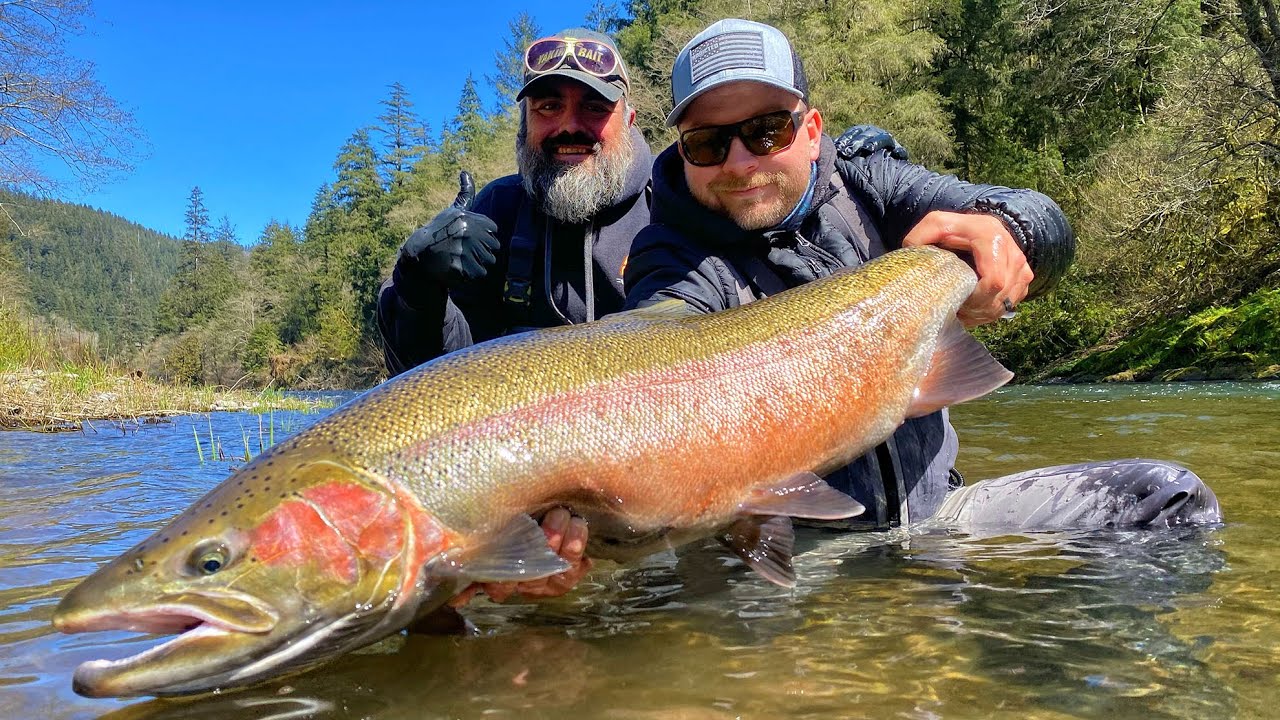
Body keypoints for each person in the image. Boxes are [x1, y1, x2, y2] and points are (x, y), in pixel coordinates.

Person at [377, 27, 929, 604]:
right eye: (548, 106)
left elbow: (771, 198)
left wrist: (850, 178)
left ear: (630, 119)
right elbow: (441, 403)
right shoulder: (496, 213)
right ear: (525, 124)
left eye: (594, 106)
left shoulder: (686, 201)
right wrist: (417, 290)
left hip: (690, 497)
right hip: (561, 513)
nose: (570, 124)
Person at [621, 18, 1221, 531]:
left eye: (765, 131)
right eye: (706, 143)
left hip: (941, 517)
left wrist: (1011, 235)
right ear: (680, 150)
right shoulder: (667, 252)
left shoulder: (868, 184)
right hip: (790, 548)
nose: (740, 161)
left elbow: (1040, 216)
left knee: (1167, 500)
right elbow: (655, 348)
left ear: (810, 132)